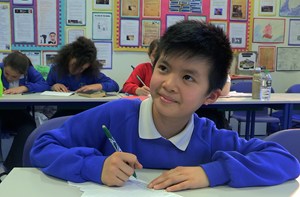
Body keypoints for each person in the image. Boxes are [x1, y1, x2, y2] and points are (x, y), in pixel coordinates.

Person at [30, 21, 299, 192]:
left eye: (188, 77)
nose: (169, 84)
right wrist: (94, 167)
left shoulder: (209, 136)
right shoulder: (115, 115)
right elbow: (42, 147)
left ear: (211, 96)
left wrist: (212, 172)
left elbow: (285, 160)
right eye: (164, 67)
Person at [0, 51, 49, 175]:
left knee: (29, 127)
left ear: (23, 73)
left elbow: (44, 85)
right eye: (6, 74)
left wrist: (24, 88)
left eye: (14, 77)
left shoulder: (30, 71)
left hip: (18, 111)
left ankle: (11, 168)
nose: (9, 78)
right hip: (1, 111)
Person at [46, 36, 119, 117]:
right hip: (63, 112)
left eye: (82, 68)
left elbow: (115, 85)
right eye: (74, 65)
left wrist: (98, 86)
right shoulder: (56, 69)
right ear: (68, 58)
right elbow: (44, 87)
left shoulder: (91, 73)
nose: (77, 71)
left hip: (87, 112)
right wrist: (53, 86)